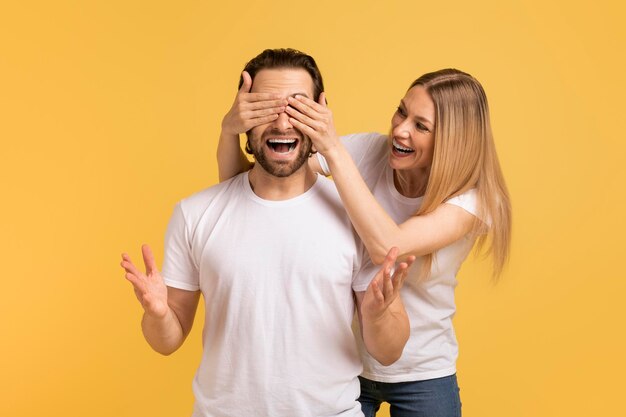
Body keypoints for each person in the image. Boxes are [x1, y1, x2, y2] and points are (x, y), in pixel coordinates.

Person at [121, 48, 415, 417]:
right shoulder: (194, 213)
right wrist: (159, 315)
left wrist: (377, 316)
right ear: (244, 117)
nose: (282, 123)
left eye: (297, 108)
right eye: (264, 108)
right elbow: (165, 341)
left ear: (321, 112)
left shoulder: (356, 215)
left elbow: (389, 351)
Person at [218, 68, 512, 417]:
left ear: (453, 141)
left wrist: (332, 147)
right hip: (345, 366)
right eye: (402, 111)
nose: (399, 130)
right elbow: (252, 190)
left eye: (421, 126)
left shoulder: (473, 203)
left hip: (423, 374)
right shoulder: (368, 151)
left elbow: (389, 249)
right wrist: (229, 131)